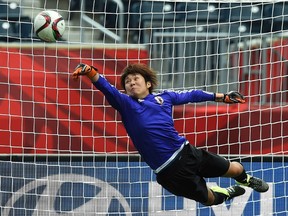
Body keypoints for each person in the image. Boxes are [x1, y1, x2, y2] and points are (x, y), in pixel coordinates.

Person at [72, 63, 269, 206]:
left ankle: (245, 179)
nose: (131, 83)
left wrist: (221, 97)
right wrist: (89, 72)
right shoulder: (125, 104)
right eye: (128, 82)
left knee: (234, 169)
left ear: (148, 83)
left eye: (135, 79)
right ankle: (225, 193)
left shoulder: (164, 97)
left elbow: (192, 95)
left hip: (187, 153)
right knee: (209, 200)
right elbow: (106, 87)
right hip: (168, 172)